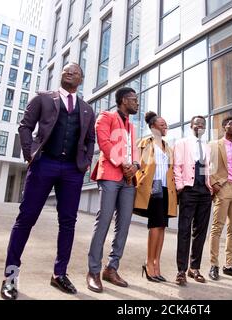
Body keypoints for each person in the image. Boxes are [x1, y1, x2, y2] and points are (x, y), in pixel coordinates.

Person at [0, 63, 96, 300]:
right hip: (44, 163)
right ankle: (10, 277)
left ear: (81, 79)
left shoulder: (86, 109)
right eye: (65, 70)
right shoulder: (43, 98)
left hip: (72, 170)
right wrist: (30, 154)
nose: (68, 73)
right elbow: (25, 126)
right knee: (26, 219)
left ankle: (59, 274)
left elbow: (90, 139)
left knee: (68, 223)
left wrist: (84, 162)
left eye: (74, 71)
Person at [87, 87, 140, 293]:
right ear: (123, 100)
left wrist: (135, 165)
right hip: (110, 175)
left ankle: (111, 268)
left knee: (124, 224)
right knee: (104, 221)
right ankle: (93, 271)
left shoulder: (131, 126)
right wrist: (123, 165)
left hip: (128, 180)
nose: (137, 103)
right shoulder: (106, 116)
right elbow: (105, 143)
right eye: (134, 100)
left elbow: (134, 149)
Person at [133, 112, 177, 282]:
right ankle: (149, 263)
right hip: (153, 188)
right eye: (162, 124)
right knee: (155, 226)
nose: (165, 127)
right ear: (153, 127)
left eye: (166, 124)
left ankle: (156, 263)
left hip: (167, 189)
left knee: (162, 226)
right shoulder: (143, 143)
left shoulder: (168, 147)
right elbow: (137, 166)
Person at [173, 116, 212, 286]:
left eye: (203, 124)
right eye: (197, 124)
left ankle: (194, 268)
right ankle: (181, 270)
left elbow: (211, 168)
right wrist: (181, 187)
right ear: (191, 126)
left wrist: (211, 187)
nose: (200, 126)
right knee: (184, 231)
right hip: (189, 190)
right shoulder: (182, 143)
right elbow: (177, 166)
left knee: (200, 232)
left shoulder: (207, 146)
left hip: (204, 191)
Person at [208, 116, 232, 281]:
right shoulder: (214, 144)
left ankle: (229, 265)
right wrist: (213, 183)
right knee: (217, 227)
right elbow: (206, 165)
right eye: (231, 124)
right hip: (223, 188)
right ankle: (214, 265)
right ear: (224, 127)